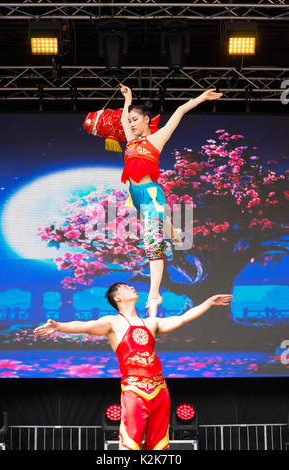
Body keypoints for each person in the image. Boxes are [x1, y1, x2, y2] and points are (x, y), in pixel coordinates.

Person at [34, 282, 233, 451]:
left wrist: (208, 303)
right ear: (118, 298)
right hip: (134, 389)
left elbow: (182, 319)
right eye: (125, 287)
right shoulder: (112, 322)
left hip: (160, 389)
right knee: (131, 439)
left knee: (159, 444)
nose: (131, 287)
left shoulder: (150, 323)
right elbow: (84, 325)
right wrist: (59, 326)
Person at [119, 84, 223, 317]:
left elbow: (179, 112)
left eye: (136, 119)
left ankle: (154, 293)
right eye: (130, 120)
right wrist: (129, 99)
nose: (132, 123)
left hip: (150, 194)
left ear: (147, 120)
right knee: (161, 227)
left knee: (153, 243)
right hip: (135, 197)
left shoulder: (156, 138)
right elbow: (124, 122)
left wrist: (202, 98)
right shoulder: (131, 141)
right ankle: (174, 232)